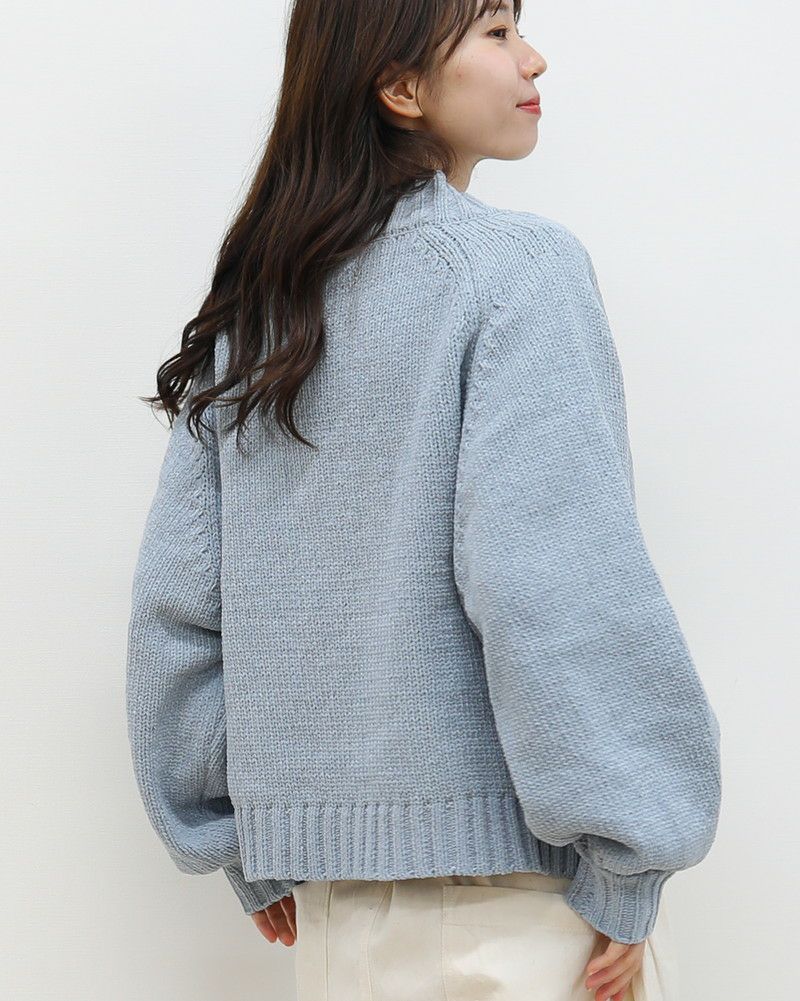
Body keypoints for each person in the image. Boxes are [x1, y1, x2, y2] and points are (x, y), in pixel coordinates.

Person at [124, 0, 722, 998]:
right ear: (401, 87)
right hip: (516, 915)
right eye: (495, 31)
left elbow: (179, 606)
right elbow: (551, 585)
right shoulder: (515, 273)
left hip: (332, 924)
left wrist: (230, 834)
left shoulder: (262, 311)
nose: (533, 57)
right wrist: (629, 854)